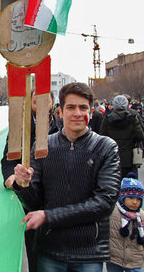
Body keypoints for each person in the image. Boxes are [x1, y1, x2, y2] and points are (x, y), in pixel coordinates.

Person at [13, 82, 121, 271]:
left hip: (89, 252)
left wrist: (49, 216)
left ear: (92, 110)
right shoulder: (42, 146)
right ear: (60, 112)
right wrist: (23, 184)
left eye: (83, 107)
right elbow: (34, 202)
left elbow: (104, 203)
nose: (77, 113)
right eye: (71, 107)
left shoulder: (105, 147)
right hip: (50, 250)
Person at [0, 90, 58, 272]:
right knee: (36, 255)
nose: (40, 105)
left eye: (44, 101)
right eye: (35, 101)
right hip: (31, 198)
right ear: (29, 104)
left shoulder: (63, 128)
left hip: (58, 198)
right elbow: (8, 160)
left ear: (52, 103)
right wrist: (11, 178)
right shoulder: (20, 130)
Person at [108, 173, 144, 272]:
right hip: (114, 258)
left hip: (134, 260)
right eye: (131, 198)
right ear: (123, 197)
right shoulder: (112, 213)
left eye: (138, 199)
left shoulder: (143, 217)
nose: (134, 202)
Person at [100, 95, 144, 179]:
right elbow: (140, 136)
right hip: (129, 157)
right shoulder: (132, 118)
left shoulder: (107, 119)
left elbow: (102, 136)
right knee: (129, 186)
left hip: (112, 157)